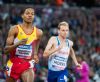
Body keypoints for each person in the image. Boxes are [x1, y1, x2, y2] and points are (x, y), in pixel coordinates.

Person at [4, 8, 43, 82]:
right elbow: (5, 50)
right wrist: (17, 44)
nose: (30, 15)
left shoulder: (38, 32)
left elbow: (37, 41)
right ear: (22, 15)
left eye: (32, 14)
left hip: (27, 64)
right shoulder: (15, 29)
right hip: (13, 63)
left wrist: (35, 54)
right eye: (27, 13)